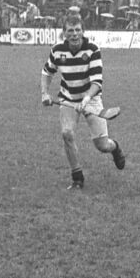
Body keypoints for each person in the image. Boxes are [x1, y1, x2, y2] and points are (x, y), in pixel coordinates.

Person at [40, 13, 126, 189]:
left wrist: (86, 99)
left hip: (91, 99)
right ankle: (77, 177)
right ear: (64, 33)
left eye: (78, 30)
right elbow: (47, 72)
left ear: (83, 31)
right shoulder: (57, 50)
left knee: (102, 145)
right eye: (70, 30)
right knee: (67, 134)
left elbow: (96, 82)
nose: (74, 34)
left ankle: (115, 147)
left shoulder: (92, 49)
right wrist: (45, 93)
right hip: (68, 99)